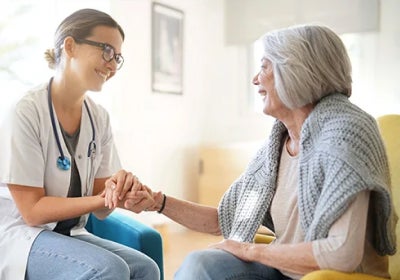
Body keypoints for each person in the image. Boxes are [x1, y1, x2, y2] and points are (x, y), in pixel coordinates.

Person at [109, 24, 398, 279]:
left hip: (336, 277)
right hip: (284, 271)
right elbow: (225, 220)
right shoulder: (276, 148)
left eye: (264, 67)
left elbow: (341, 255)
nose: (255, 80)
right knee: (202, 263)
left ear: (295, 71)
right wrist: (156, 202)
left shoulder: (347, 135)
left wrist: (251, 251)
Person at [0, 8, 159, 280]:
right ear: (70, 46)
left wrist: (120, 191)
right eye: (106, 51)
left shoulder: (98, 117)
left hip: (68, 234)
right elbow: (33, 212)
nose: (112, 65)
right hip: (22, 236)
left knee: (146, 268)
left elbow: (101, 208)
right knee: (110, 269)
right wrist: (101, 196)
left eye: (117, 57)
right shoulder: (26, 111)